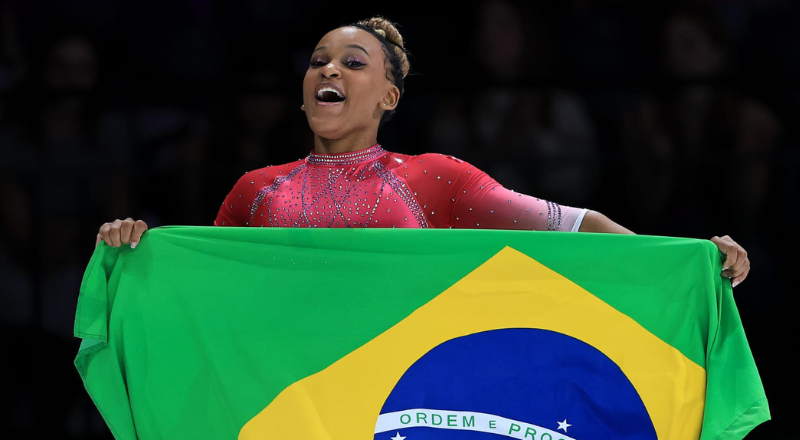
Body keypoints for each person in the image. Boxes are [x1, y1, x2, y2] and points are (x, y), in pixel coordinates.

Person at [95, 15, 750, 288]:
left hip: (396, 409)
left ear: (389, 97)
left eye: (354, 62)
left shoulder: (433, 178)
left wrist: (687, 261)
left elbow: (581, 228)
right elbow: (207, 292)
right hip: (291, 406)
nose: (330, 71)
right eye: (319, 61)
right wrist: (134, 250)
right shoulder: (254, 189)